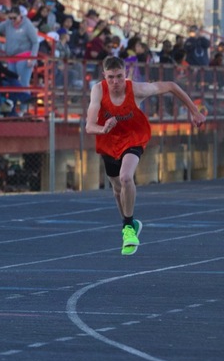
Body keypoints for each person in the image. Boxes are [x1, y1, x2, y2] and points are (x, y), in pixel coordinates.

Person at [85, 55, 205, 255]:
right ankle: (128, 225)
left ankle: (128, 227)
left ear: (126, 75)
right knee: (117, 190)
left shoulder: (137, 89)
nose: (116, 82)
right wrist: (103, 129)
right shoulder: (98, 91)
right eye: (111, 77)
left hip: (134, 137)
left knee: (125, 177)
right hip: (108, 140)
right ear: (104, 76)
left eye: (120, 77)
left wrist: (194, 111)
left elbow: (171, 85)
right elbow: (89, 126)